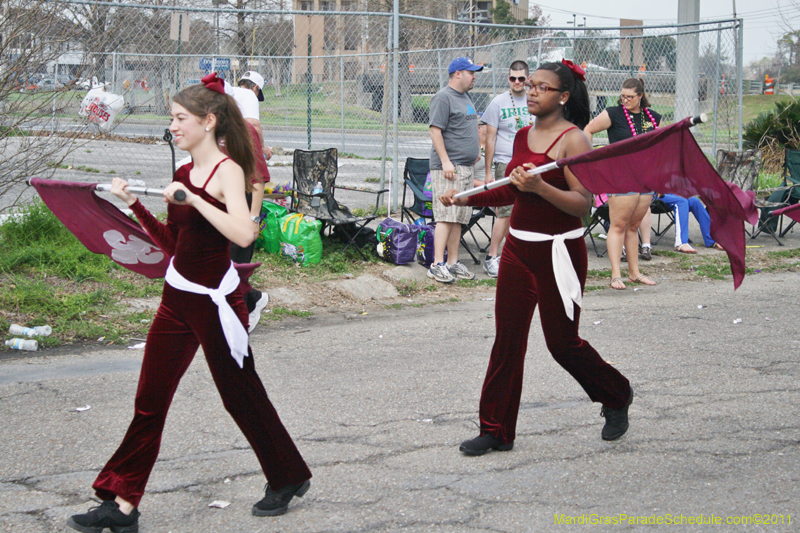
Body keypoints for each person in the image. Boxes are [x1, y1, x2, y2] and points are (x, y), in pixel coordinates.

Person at [66, 75, 312, 533]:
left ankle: (288, 475)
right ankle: (121, 504)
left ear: (208, 121)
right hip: (175, 299)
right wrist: (134, 205)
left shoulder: (228, 171)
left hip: (216, 304)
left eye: (180, 118)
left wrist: (196, 202)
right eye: (173, 118)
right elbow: (172, 246)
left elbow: (244, 234)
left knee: (241, 396)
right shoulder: (182, 173)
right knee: (149, 400)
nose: (173, 126)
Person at [440, 60, 633, 456]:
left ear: (563, 96)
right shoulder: (524, 134)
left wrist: (541, 186)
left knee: (562, 345)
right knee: (507, 341)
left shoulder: (575, 140)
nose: (531, 91)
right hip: (517, 251)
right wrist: (466, 196)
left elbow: (582, 204)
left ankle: (616, 394)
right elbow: (512, 190)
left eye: (542, 87)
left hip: (559, 253)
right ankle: (495, 429)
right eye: (529, 84)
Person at [584, 78, 660, 290]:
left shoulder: (652, 118)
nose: (624, 100)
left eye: (629, 97)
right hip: (621, 177)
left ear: (640, 96)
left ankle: (634, 273)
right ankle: (616, 274)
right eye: (622, 96)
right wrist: (592, 158)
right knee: (618, 225)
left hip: (645, 178)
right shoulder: (613, 113)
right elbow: (587, 130)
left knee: (633, 226)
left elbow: (662, 144)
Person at [427, 56, 483, 284]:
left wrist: (476, 150)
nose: (474, 76)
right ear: (457, 74)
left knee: (459, 217)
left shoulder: (465, 96)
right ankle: (436, 264)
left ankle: (452, 262)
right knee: (446, 216)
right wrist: (446, 161)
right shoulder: (443, 97)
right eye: (471, 72)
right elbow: (435, 130)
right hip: (449, 168)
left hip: (466, 167)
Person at [226, 71, 273, 330]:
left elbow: (258, 180)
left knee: (237, 260)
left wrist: (253, 219)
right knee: (221, 262)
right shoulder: (210, 129)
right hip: (221, 203)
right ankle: (249, 300)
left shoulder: (244, 131)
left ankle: (249, 304)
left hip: (241, 200)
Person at [477, 59, 532, 277]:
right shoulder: (498, 102)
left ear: (527, 79)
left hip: (529, 163)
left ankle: (517, 255)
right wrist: (489, 171)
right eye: (512, 78)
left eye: (521, 78)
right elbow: (490, 139)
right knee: (506, 211)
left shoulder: (534, 100)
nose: (516, 82)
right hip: (505, 162)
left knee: (526, 211)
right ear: (508, 78)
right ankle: (492, 257)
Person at [659, 194, 724, 252]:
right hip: (654, 194)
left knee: (695, 201)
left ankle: (712, 239)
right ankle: (681, 243)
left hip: (669, 193)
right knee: (682, 202)